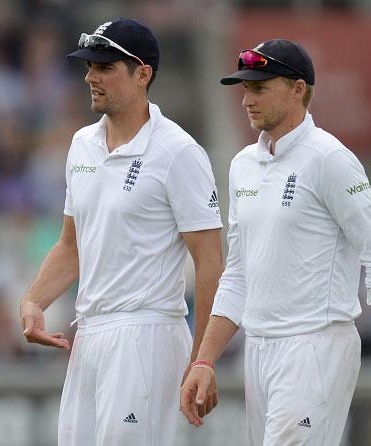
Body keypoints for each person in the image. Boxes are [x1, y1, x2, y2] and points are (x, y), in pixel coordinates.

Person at [180, 39, 371, 445]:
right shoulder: (242, 166)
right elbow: (238, 274)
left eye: (259, 88)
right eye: (245, 89)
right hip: (258, 351)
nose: (246, 100)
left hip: (316, 347)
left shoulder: (330, 159)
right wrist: (205, 359)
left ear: (298, 89)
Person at [19, 18, 223, 446]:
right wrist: (34, 301)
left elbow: (210, 264)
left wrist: (203, 359)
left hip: (145, 335)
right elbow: (71, 244)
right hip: (89, 333)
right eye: (89, 66)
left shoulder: (178, 151)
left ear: (142, 73)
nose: (90, 77)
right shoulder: (82, 144)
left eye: (105, 66)